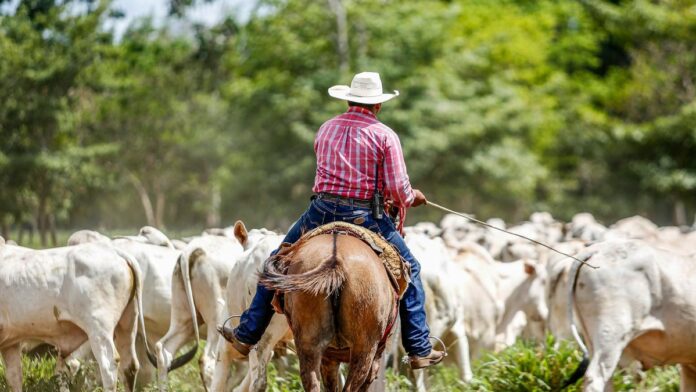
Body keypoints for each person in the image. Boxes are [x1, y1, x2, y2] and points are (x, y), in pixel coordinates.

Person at [219, 71, 444, 369]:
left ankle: (247, 334)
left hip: (320, 211)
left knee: (276, 262)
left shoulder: (325, 129)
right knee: (411, 268)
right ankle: (418, 348)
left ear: (349, 99)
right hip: (365, 216)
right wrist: (412, 196)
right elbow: (399, 192)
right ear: (377, 106)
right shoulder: (385, 135)